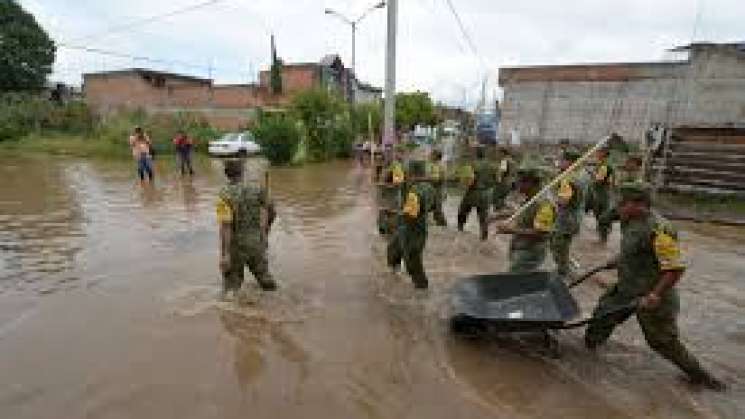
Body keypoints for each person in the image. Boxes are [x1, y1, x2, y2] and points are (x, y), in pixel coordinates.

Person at [585, 182, 726, 391]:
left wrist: (655, 296)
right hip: (628, 287)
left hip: (653, 294)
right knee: (603, 314)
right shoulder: (629, 218)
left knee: (662, 342)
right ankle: (588, 353)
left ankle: (703, 378)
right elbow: (634, 247)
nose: (619, 208)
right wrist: (618, 260)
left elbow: (675, 268)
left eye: (623, 204)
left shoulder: (659, 231)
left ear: (640, 204)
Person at [216, 159, 277, 299]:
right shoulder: (258, 188)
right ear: (242, 172)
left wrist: (224, 254)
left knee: (231, 289)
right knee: (266, 282)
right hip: (256, 243)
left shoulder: (223, 195)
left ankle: (234, 317)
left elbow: (226, 226)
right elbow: (272, 212)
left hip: (236, 247)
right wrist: (265, 232)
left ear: (226, 174)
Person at [495, 162, 555, 273]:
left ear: (531, 182)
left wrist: (510, 230)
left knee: (515, 280)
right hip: (521, 246)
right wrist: (500, 215)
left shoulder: (544, 204)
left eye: (520, 182)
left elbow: (542, 233)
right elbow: (524, 212)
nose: (517, 185)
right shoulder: (531, 196)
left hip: (530, 252)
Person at [387, 160, 434, 289]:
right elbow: (432, 207)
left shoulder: (415, 190)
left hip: (411, 231)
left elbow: (410, 215)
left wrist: (394, 216)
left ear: (412, 172)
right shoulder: (430, 187)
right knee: (393, 249)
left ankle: (422, 292)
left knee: (413, 265)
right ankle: (393, 276)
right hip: (420, 228)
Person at [550, 151, 584, 278]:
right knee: (563, 246)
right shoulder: (578, 175)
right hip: (574, 217)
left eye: (562, 160)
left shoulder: (568, 180)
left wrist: (552, 199)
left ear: (570, 162)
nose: (559, 162)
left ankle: (563, 273)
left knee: (558, 246)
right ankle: (565, 268)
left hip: (566, 219)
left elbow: (563, 202)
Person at [458, 146, 494, 240]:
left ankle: (460, 227)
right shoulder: (492, 165)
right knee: (483, 214)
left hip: (474, 191)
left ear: (477, 154)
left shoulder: (472, 164)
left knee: (463, 210)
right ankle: (484, 234)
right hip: (487, 193)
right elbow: (497, 179)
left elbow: (468, 180)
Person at [589, 147, 614, 243]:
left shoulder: (604, 166)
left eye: (599, 152)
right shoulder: (602, 165)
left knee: (602, 214)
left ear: (603, 154)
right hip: (601, 193)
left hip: (602, 194)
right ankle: (602, 236)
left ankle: (603, 237)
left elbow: (599, 180)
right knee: (599, 213)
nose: (596, 153)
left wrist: (593, 175)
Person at [492, 146, 516, 211]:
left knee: (496, 197)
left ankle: (498, 210)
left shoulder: (504, 161)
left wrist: (497, 180)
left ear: (503, 153)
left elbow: (501, 172)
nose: (498, 154)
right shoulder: (512, 160)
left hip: (504, 182)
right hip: (510, 182)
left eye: (499, 153)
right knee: (503, 198)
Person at [428, 149, 447, 226]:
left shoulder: (439, 165)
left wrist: (425, 179)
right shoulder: (436, 164)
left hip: (438, 190)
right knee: (434, 208)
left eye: (432, 154)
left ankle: (443, 225)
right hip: (436, 189)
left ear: (435, 156)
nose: (430, 156)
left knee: (437, 210)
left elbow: (437, 179)